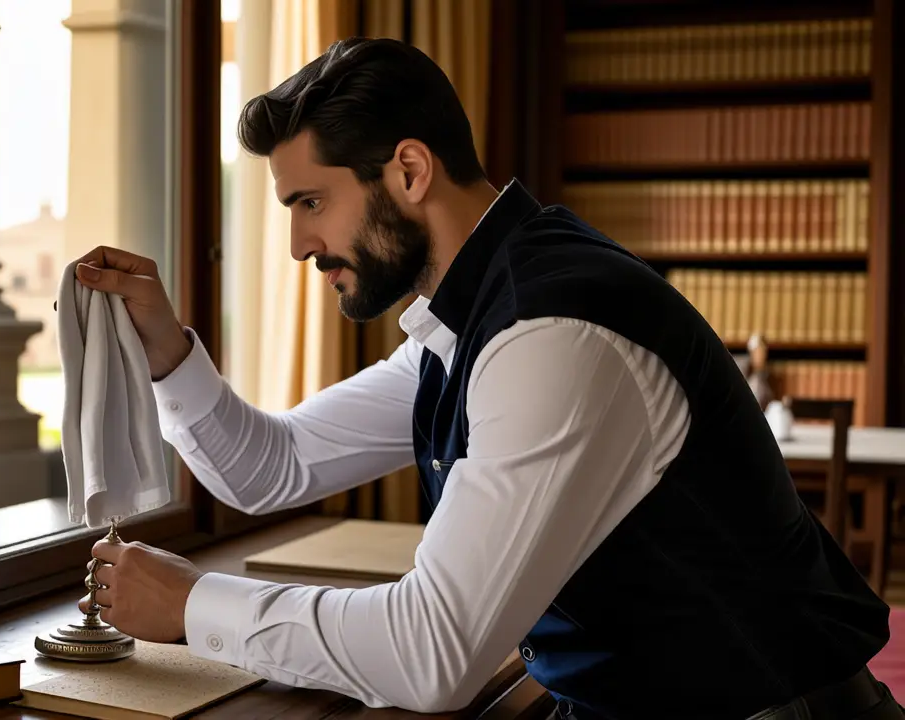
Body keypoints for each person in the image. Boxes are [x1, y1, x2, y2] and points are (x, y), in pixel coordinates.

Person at [68, 37, 900, 720]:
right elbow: (272, 466)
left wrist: (193, 607)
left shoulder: (553, 334)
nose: (296, 245)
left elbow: (432, 654)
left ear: (408, 171)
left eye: (311, 203)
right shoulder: (470, 322)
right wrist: (163, 349)